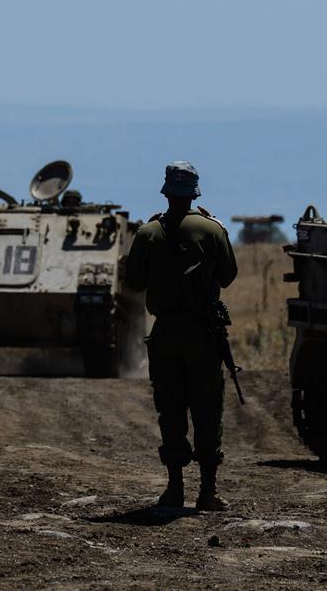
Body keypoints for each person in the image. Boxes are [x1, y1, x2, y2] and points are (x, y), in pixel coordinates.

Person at [125, 161, 238, 512]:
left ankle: (174, 488)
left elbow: (134, 282)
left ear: (166, 192)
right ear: (194, 193)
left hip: (166, 333)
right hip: (203, 334)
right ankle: (208, 491)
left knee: (170, 408)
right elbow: (230, 276)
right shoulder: (212, 229)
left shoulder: (147, 233)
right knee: (207, 408)